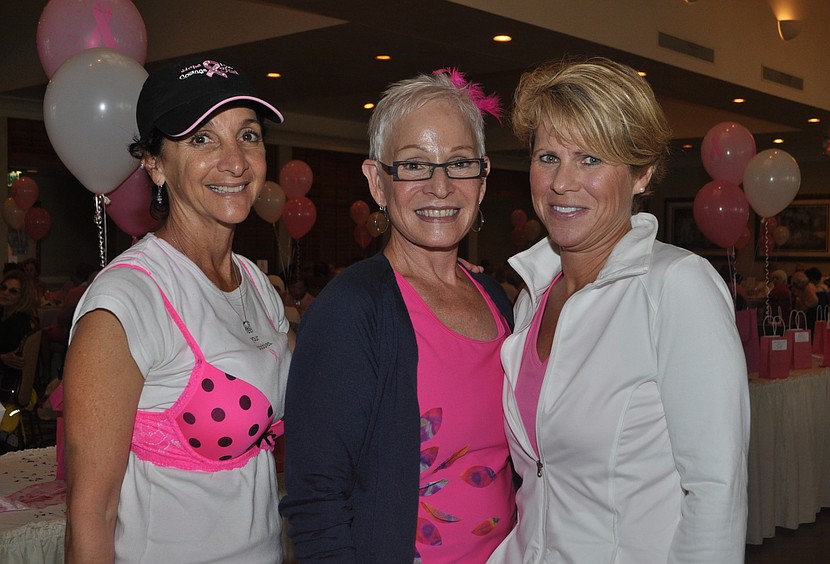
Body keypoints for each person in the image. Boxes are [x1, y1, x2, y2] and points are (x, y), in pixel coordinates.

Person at [488, 58, 750, 564]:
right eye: (548, 157)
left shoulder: (676, 288)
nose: (562, 182)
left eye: (590, 159)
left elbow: (716, 491)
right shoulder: (533, 295)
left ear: (641, 173)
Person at [280, 68, 516, 563]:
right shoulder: (351, 311)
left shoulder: (497, 299)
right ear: (377, 182)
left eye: (459, 163)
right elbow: (317, 503)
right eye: (413, 166)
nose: (440, 186)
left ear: (483, 178)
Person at [63, 56, 292, 563]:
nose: (235, 161)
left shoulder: (256, 283)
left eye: (248, 135)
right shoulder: (126, 302)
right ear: (155, 163)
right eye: (202, 139)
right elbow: (90, 516)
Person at [0, 270, 40, 402]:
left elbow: (9, 360)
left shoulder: (17, 323)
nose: (5, 293)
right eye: (3, 288)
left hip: (6, 392)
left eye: (13, 291)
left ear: (23, 297)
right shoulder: (8, 317)